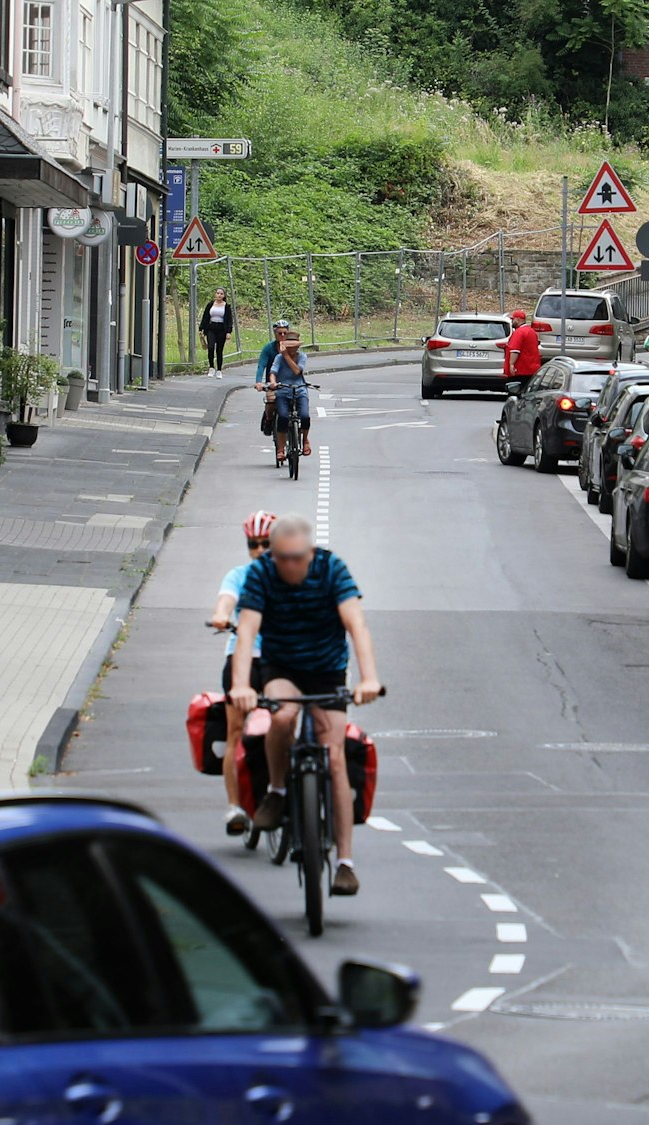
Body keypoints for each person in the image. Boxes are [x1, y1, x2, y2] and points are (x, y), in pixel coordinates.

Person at [228, 515, 383, 896]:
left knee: (334, 758)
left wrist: (368, 679)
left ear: (310, 552)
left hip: (327, 668)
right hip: (281, 665)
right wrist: (241, 686)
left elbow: (356, 624)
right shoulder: (263, 573)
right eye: (282, 558)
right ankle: (277, 791)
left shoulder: (331, 568)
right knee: (282, 715)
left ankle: (345, 863)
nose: (290, 566)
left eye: (297, 558)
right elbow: (247, 630)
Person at [207, 510, 274, 836]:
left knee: (287, 725)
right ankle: (235, 806)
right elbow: (225, 600)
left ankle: (283, 793)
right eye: (253, 544)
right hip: (242, 659)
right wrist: (221, 615)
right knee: (236, 731)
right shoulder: (238, 575)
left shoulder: (290, 577)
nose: (260, 549)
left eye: (267, 543)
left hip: (280, 661)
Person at [269, 331, 312, 461]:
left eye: (294, 347)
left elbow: (297, 371)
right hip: (283, 391)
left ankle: (305, 441)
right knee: (282, 417)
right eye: (289, 346)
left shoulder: (302, 357)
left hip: (300, 391)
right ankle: (281, 449)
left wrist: (286, 355)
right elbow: (273, 372)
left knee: (305, 416)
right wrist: (273, 383)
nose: (292, 349)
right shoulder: (279, 358)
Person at [255, 319, 289, 438]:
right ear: (275, 333)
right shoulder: (268, 348)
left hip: (288, 382)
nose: (282, 335)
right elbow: (262, 365)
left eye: (285, 333)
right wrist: (258, 382)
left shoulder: (292, 347)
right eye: (280, 333)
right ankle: (269, 420)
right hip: (273, 382)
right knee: (271, 400)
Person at [503, 308, 541, 391]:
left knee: (515, 393)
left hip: (520, 370)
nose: (512, 321)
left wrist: (511, 364)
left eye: (513, 319)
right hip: (531, 369)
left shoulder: (519, 332)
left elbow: (515, 350)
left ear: (517, 319)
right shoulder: (531, 332)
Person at [199, 289, 234, 378]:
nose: (219, 295)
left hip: (221, 329)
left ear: (224, 296)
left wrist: (228, 332)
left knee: (219, 350)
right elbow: (205, 316)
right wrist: (201, 328)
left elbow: (229, 320)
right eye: (218, 293)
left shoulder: (226, 306)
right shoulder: (210, 305)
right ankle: (211, 367)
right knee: (210, 347)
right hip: (211, 328)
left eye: (221, 294)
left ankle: (219, 370)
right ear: (215, 294)